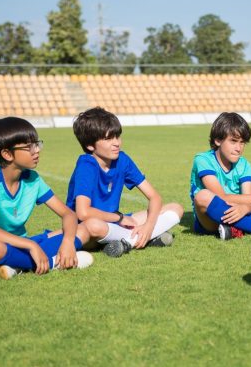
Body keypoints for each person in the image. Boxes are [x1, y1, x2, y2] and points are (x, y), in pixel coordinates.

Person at [0, 117, 94, 280]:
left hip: (20, 244)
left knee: (83, 229)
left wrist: (68, 243)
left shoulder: (33, 179)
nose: (37, 150)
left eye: (37, 144)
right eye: (29, 147)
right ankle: (53, 262)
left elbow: (69, 214)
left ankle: (14, 265)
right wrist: (31, 245)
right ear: (7, 154)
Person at [66, 107, 184, 258]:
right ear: (90, 145)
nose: (117, 143)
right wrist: (121, 218)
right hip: (88, 229)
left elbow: (155, 197)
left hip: (115, 224)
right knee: (93, 225)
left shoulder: (122, 160)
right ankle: (138, 239)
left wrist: (148, 226)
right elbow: (83, 213)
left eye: (117, 136)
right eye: (108, 139)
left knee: (176, 208)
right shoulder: (86, 165)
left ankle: (132, 240)